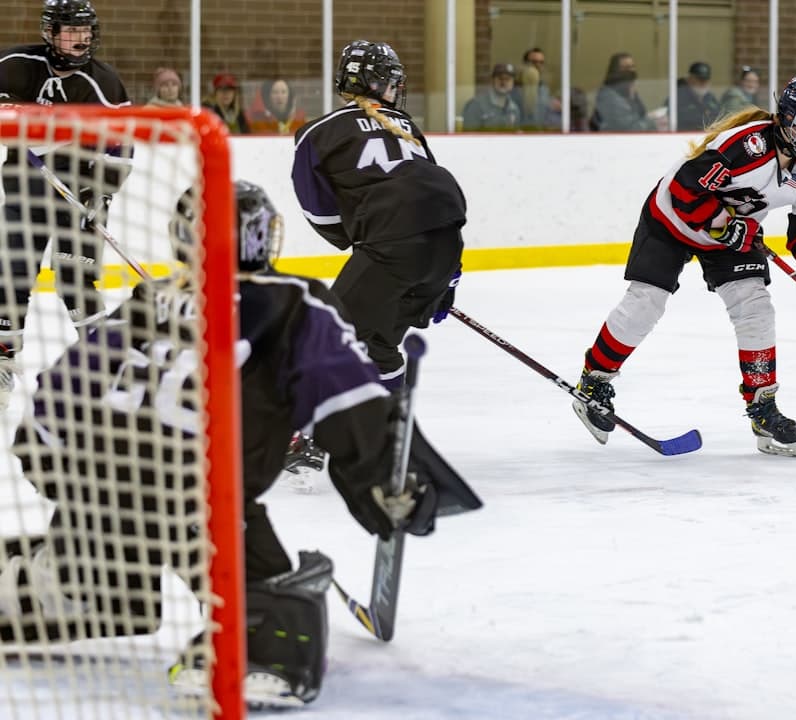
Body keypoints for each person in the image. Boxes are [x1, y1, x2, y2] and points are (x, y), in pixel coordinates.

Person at [0, 180, 480, 707]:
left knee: (109, 595)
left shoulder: (146, 301)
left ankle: (40, 581)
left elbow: (52, 404)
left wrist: (57, 473)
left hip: (95, 501)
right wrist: (382, 484)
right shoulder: (293, 302)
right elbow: (348, 403)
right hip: (203, 509)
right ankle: (257, 637)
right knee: (278, 619)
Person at [572, 76, 796, 459]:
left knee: (755, 307)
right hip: (671, 221)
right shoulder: (745, 145)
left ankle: (763, 407)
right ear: (790, 118)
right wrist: (721, 223)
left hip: (732, 235)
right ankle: (594, 381)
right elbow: (685, 188)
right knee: (647, 301)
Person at [292, 40, 466, 390]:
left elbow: (320, 214)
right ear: (376, 83)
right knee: (377, 344)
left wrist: (358, 236)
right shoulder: (406, 125)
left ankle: (347, 432)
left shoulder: (316, 134)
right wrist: (448, 277)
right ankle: (388, 429)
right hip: (447, 244)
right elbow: (427, 195)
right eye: (391, 81)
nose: (395, 89)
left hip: (391, 248)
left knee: (331, 334)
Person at [0, 0, 132, 410]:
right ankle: (2, 361)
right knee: (14, 271)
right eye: (71, 31)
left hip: (82, 189)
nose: (81, 39)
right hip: (26, 182)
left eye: (86, 31)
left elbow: (121, 149)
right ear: (50, 33)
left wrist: (100, 193)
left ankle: (107, 365)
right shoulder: (16, 64)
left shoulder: (105, 84)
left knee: (74, 279)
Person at [590, 52, 657, 132]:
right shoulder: (607, 96)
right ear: (615, 70)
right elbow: (629, 128)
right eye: (626, 67)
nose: (631, 71)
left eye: (633, 67)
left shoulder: (629, 91)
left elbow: (641, 114)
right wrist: (651, 121)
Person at [511, 47, 560, 130]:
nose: (538, 65)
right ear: (525, 64)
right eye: (534, 62)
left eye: (541, 62)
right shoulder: (514, 88)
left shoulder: (544, 89)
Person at [462, 63, 521, 131]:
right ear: (492, 80)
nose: (503, 82)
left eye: (508, 79)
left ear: (513, 83)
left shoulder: (514, 109)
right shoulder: (476, 105)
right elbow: (468, 136)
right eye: (500, 78)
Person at [673, 61, 723, 132]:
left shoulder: (711, 98)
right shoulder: (678, 97)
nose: (703, 83)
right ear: (690, 79)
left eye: (706, 80)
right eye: (700, 79)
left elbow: (720, 116)